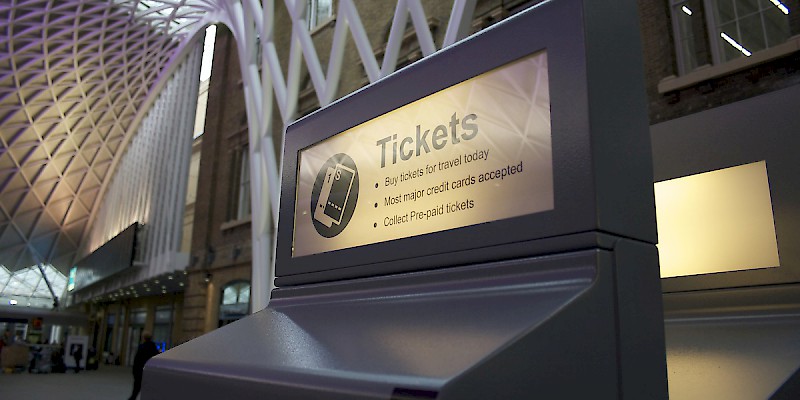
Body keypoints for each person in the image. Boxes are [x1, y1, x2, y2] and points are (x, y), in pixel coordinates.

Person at [128, 332, 160, 400]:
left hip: (140, 371)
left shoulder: (142, 347)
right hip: (149, 372)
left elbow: (137, 361)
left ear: (144, 338)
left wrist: (134, 372)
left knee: (136, 389)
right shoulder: (153, 347)